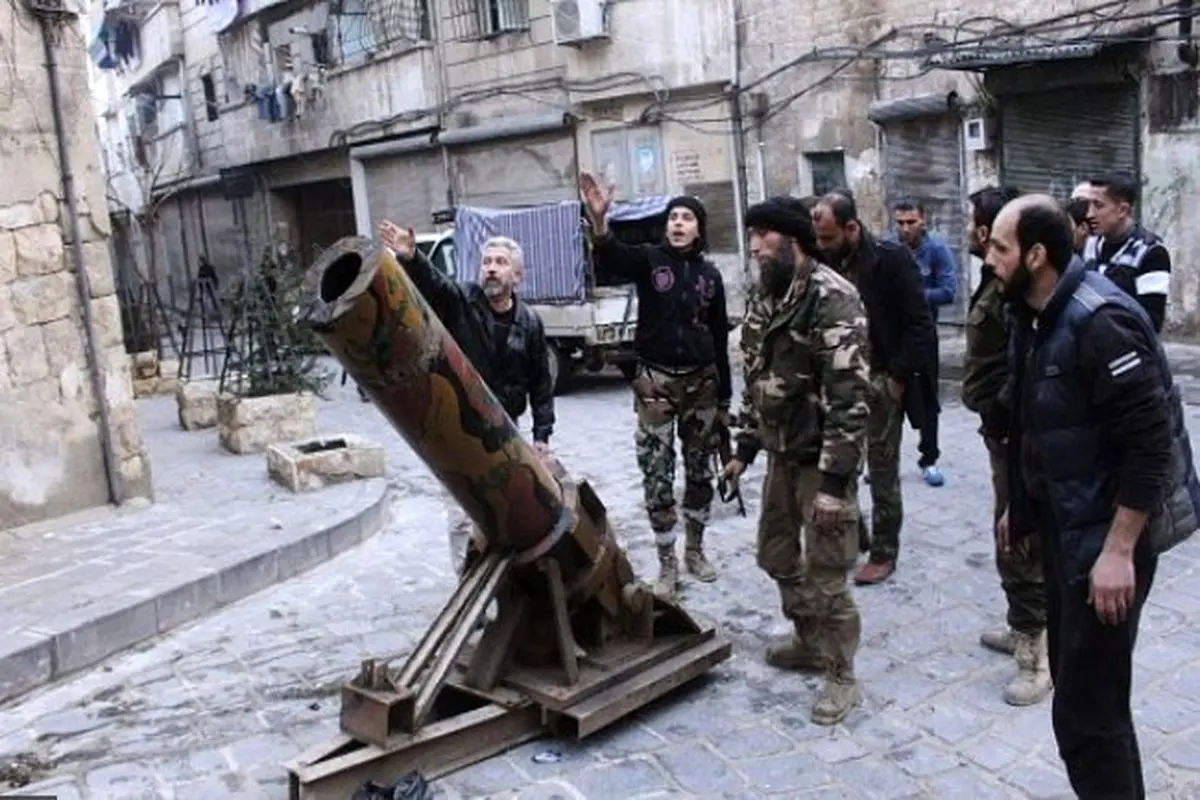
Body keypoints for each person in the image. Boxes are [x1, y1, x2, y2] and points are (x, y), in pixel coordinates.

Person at [991, 194, 1200, 798]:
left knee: (1089, 715)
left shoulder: (1101, 321)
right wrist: (1019, 505)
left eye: (1000, 248)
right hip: (1068, 531)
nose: (988, 258)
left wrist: (1119, 551)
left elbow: (1150, 446)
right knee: (1084, 698)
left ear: (1036, 255)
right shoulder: (1031, 314)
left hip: (1107, 545)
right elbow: (1032, 420)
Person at [723, 196, 871, 725]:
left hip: (819, 462)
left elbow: (851, 400)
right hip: (780, 454)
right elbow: (756, 377)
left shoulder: (833, 297)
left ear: (793, 240)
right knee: (777, 555)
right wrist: (744, 450)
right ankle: (808, 641)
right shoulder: (765, 294)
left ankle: (840, 675)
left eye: (764, 235)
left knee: (827, 575)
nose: (755, 245)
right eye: (752, 235)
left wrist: (833, 484)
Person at [578, 172, 732, 598]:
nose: (678, 223)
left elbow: (720, 337)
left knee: (699, 472)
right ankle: (667, 562)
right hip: (655, 384)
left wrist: (724, 400)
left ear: (699, 228)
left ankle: (695, 550)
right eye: (673, 217)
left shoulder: (711, 276)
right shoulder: (649, 260)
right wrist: (600, 221)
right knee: (657, 474)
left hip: (702, 384)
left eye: (687, 218)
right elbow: (611, 258)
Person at [377, 221, 556, 574]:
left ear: (517, 276)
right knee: (461, 514)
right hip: (460, 426)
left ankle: (512, 579)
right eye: (486, 261)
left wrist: (542, 436)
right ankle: (467, 580)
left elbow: (541, 384)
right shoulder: (463, 302)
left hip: (506, 430)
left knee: (513, 506)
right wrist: (412, 257)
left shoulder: (530, 323)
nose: (491, 268)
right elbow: (437, 287)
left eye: (501, 262)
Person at [810, 192, 938, 585]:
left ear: (851, 227)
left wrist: (898, 378)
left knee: (882, 473)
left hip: (880, 380)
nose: (822, 246)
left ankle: (884, 552)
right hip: (836, 383)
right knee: (838, 465)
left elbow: (919, 324)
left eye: (829, 238)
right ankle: (854, 533)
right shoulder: (821, 264)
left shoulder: (890, 259)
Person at [961, 185, 1051, 707]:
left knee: (1020, 540)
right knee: (1009, 533)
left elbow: (1025, 367)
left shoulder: (1017, 294)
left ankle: (1035, 658)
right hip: (1000, 435)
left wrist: (1002, 413)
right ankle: (1024, 626)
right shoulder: (994, 283)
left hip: (1018, 436)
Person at [891, 200, 957, 487]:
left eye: (911, 222)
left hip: (923, 334)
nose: (905, 228)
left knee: (927, 399)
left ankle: (929, 459)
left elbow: (949, 291)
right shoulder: (888, 249)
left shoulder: (937, 249)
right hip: (892, 335)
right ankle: (885, 460)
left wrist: (913, 295)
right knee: (888, 399)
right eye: (900, 223)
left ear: (923, 221)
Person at [1081, 172, 1172, 332]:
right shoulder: (1088, 242)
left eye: (1098, 206)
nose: (1089, 214)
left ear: (1122, 210)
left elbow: (1151, 321)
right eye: (1088, 205)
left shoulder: (1151, 252)